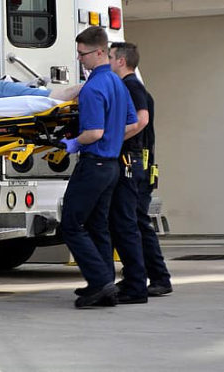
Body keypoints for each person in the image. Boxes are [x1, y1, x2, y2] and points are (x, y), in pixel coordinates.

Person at [59, 27, 139, 308]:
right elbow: (132, 123)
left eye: (83, 54)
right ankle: (105, 284)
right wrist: (113, 138)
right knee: (97, 225)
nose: (80, 59)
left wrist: (71, 144)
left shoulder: (93, 88)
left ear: (100, 52)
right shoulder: (118, 83)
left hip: (94, 164)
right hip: (112, 166)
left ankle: (100, 281)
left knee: (71, 224)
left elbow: (92, 132)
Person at [109, 42, 173, 298]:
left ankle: (159, 277)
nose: (109, 61)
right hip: (140, 165)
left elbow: (141, 120)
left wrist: (110, 138)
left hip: (136, 166)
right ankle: (141, 276)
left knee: (135, 223)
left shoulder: (131, 86)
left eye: (111, 57)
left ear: (121, 61)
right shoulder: (134, 86)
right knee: (132, 223)